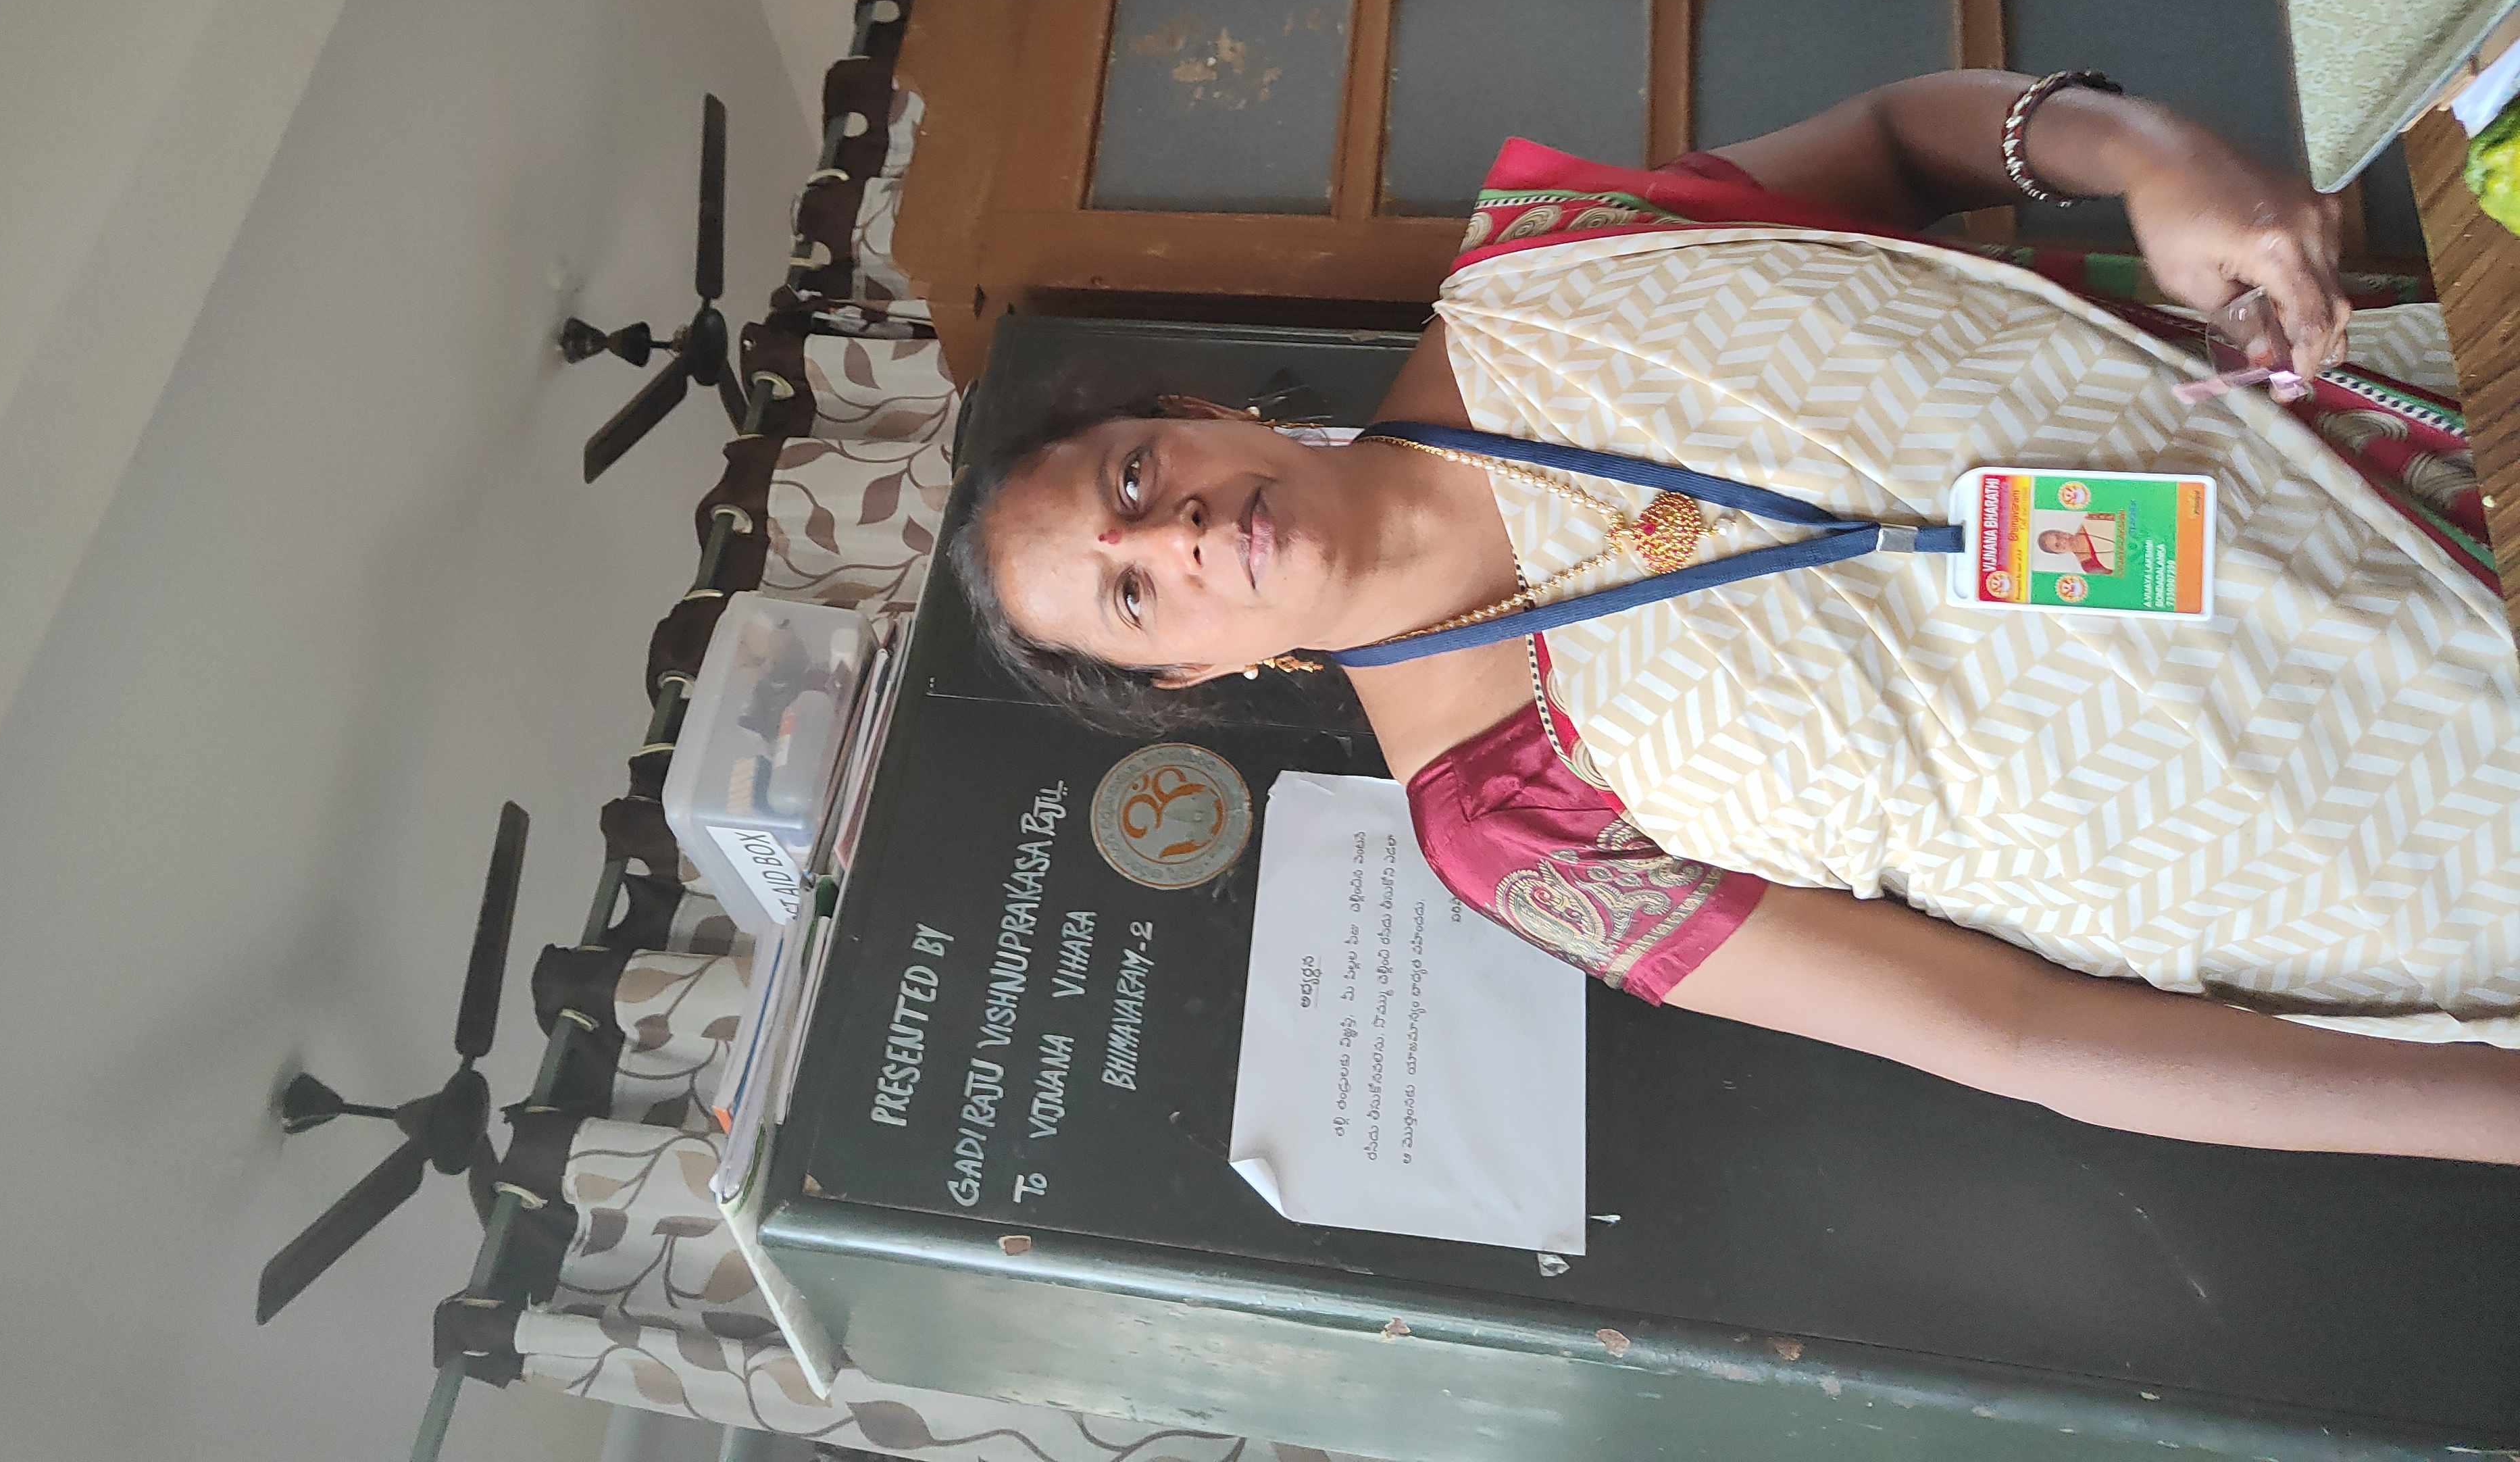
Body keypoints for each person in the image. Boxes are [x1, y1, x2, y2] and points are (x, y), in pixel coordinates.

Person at [949, 69, 2520, 1165]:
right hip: (2414, 839)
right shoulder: (1504, 827)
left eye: (1133, 474)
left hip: (2430, 447)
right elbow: (2015, 1033)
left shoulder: (1549, 265)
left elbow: (1898, 140)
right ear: (1196, 670)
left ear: (1197, 411)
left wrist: (2146, 146)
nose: (1171, 533)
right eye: (1130, 590)